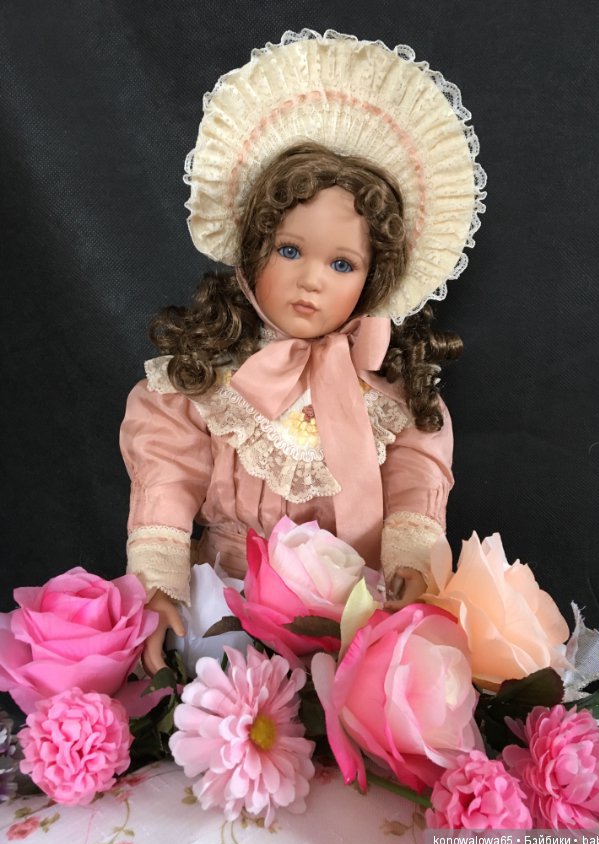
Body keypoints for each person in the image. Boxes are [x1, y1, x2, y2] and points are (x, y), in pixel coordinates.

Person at [120, 30, 486, 673]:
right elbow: (167, 478)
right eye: (290, 250)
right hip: (224, 604)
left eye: (342, 264)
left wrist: (409, 560)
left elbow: (416, 477)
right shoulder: (208, 379)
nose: (311, 280)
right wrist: (159, 581)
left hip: (347, 607)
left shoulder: (390, 394)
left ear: (374, 279)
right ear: (252, 247)